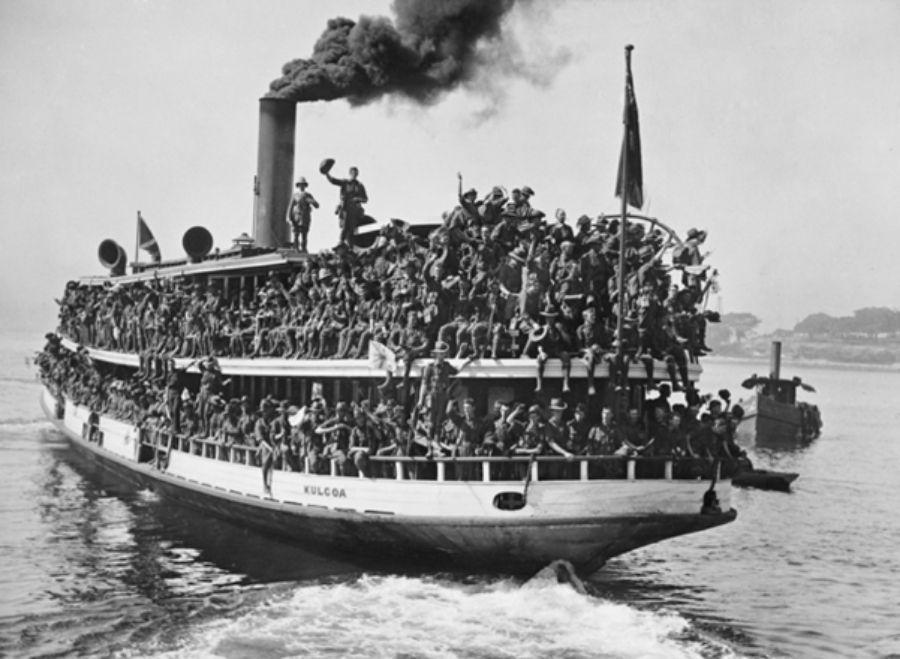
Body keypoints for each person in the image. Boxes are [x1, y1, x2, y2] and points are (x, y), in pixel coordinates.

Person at [322, 162, 368, 245]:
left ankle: (350, 246)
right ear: (350, 173)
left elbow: (365, 199)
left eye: (356, 173)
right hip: (345, 209)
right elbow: (333, 181)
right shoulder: (345, 182)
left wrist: (358, 199)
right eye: (353, 173)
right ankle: (341, 243)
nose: (355, 175)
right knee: (344, 228)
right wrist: (327, 173)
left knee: (352, 229)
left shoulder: (360, 185)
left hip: (355, 210)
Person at [286, 177, 319, 252]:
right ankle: (296, 248)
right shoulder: (295, 195)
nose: (302, 186)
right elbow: (290, 207)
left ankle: (304, 248)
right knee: (296, 234)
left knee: (304, 235)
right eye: (300, 185)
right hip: (296, 218)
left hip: (305, 218)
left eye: (303, 185)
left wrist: (312, 201)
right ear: (298, 186)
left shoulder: (308, 195)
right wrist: (289, 218)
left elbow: (317, 205)